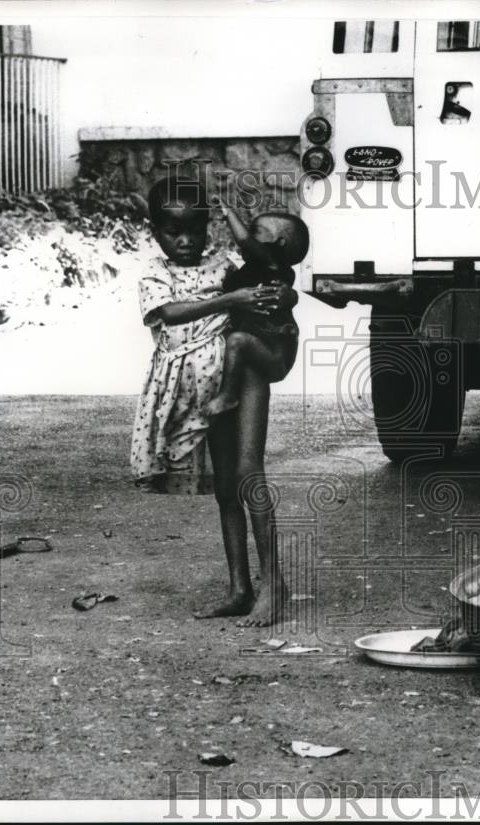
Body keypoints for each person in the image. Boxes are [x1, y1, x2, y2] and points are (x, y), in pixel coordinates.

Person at [131, 177, 292, 625]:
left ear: (208, 229)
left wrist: (284, 291)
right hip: (202, 393)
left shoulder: (225, 265)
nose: (185, 241)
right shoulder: (154, 273)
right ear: (155, 231)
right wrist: (230, 298)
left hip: (242, 376)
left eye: (195, 231)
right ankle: (240, 588)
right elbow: (168, 313)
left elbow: (271, 274)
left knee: (247, 473)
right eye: (172, 231)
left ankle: (273, 584)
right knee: (225, 490)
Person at [207, 202, 306, 414]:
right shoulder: (258, 269)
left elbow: (243, 239)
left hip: (276, 354)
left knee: (236, 341)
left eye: (257, 233)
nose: (250, 238)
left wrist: (229, 213)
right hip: (267, 349)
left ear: (278, 243)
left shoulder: (272, 263)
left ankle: (228, 396)